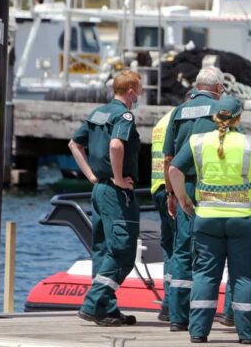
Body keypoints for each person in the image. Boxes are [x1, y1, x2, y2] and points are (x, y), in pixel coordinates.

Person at [169, 96, 251, 344]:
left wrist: (183, 198)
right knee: (243, 277)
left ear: (214, 116)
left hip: (207, 219)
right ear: (239, 117)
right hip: (243, 221)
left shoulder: (197, 141)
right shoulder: (250, 143)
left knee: (205, 275)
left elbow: (174, 169)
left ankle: (198, 332)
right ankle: (247, 335)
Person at [68, 70, 142, 326]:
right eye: (139, 87)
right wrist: (119, 177)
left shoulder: (97, 113)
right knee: (122, 250)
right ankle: (93, 303)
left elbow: (74, 144)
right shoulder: (125, 114)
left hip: (99, 189)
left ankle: (105, 308)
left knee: (102, 249)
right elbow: (116, 145)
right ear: (131, 91)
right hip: (116, 192)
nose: (140, 92)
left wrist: (90, 176)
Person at [162, 66, 225, 331]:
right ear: (219, 88)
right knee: (208, 253)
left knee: (182, 251)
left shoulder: (178, 112)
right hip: (210, 188)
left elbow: (168, 158)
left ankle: (177, 317)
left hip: (181, 184)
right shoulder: (221, 112)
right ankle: (203, 318)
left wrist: (170, 193)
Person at [150, 107, 176, 322]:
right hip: (171, 190)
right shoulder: (179, 119)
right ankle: (174, 304)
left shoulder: (162, 121)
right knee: (182, 247)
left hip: (156, 187)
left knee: (169, 246)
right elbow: (171, 158)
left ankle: (168, 303)